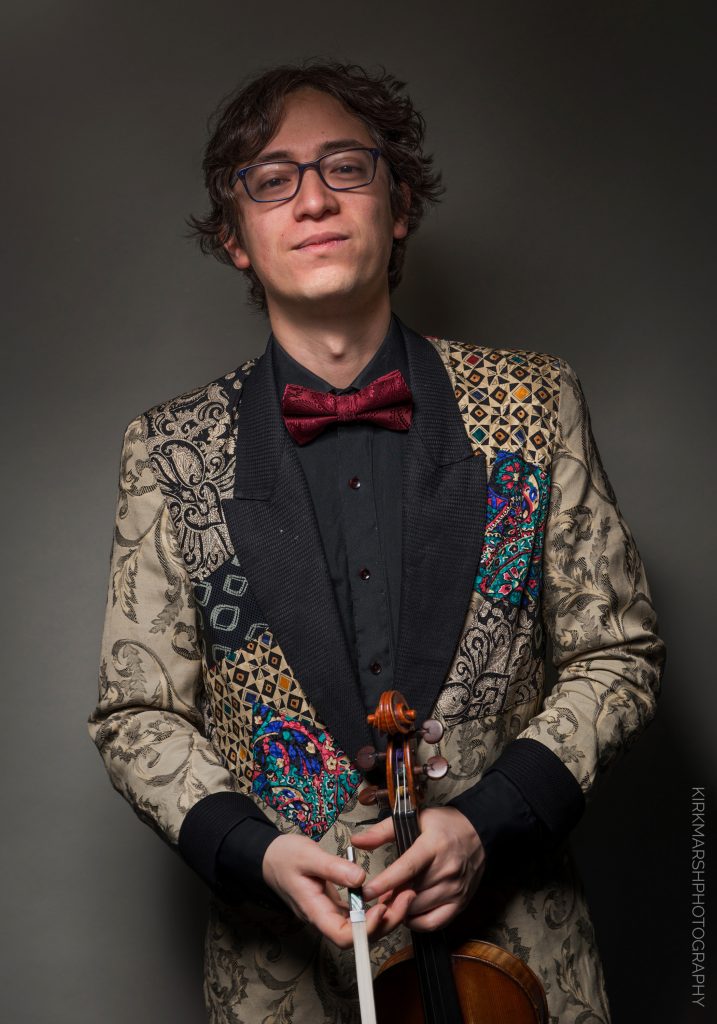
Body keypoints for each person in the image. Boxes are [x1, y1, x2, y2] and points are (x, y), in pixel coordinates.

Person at [89, 60, 665, 1024]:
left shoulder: (532, 402)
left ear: (398, 208)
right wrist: (257, 850)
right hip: (287, 975)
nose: (311, 198)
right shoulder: (167, 450)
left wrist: (491, 821)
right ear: (236, 238)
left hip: (518, 959)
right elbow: (135, 710)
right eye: (271, 178)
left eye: (345, 168)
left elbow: (618, 653)